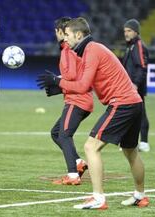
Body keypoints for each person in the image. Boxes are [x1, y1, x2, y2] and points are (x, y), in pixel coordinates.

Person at [37, 17, 149, 209]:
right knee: (131, 152)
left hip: (121, 103)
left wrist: (57, 81)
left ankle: (98, 198)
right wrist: (60, 87)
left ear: (79, 35)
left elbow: (82, 86)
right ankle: (140, 195)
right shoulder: (92, 49)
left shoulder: (91, 50)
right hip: (134, 102)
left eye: (68, 35)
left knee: (91, 147)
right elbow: (84, 80)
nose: (66, 39)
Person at [45, 17, 93, 185]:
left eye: (62, 33)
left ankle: (72, 175)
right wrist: (59, 87)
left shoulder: (67, 50)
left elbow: (71, 75)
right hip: (79, 99)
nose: (61, 36)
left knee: (64, 135)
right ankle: (79, 163)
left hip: (77, 100)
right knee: (56, 132)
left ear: (60, 31)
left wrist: (57, 83)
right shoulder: (70, 49)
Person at [122, 19, 150, 152]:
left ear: (136, 31)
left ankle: (144, 142)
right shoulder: (130, 46)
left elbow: (142, 67)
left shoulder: (138, 45)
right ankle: (129, 142)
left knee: (140, 113)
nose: (126, 33)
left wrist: (135, 83)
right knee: (131, 113)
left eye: (129, 31)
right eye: (125, 31)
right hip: (129, 86)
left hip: (134, 86)